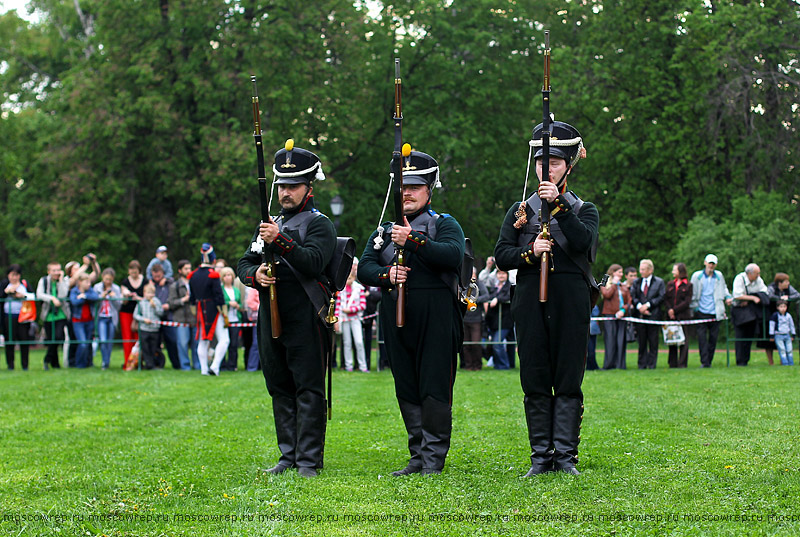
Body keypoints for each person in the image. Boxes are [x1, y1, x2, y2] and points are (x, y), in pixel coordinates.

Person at [494, 119, 598, 476]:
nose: (546, 169)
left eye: (554, 163)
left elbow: (585, 244)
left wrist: (560, 207)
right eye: (542, 162)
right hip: (529, 300)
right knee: (535, 377)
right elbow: (503, 253)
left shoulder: (584, 209)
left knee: (568, 378)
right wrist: (530, 252)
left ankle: (566, 457)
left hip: (570, 299)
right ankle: (541, 457)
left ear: (569, 165)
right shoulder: (519, 210)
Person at [358, 147, 466, 476]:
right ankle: (417, 454)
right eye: (403, 187)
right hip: (396, 317)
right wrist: (386, 275)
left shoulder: (444, 224)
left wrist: (414, 240)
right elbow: (364, 268)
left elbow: (452, 255)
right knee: (406, 385)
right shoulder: (384, 231)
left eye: (414, 187)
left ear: (429, 190)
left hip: (436, 317)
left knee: (434, 385)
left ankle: (433, 459)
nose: (407, 193)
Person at [238, 140, 337, 478]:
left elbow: (313, 263)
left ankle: (309, 460)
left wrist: (279, 240)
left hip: (306, 315)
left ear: (308, 187)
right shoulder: (268, 225)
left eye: (293, 186)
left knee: (308, 387)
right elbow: (244, 263)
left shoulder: (319, 224)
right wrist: (256, 275)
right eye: (281, 185)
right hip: (271, 313)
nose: (285, 192)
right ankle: (288, 455)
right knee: (279, 385)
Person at [190, 244, 229, 376]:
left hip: (200, 310)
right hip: (214, 310)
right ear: (213, 260)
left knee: (203, 340)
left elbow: (192, 298)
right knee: (224, 339)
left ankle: (204, 369)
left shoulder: (193, 275)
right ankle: (215, 366)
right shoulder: (213, 275)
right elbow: (219, 296)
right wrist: (224, 313)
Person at [689, 254, 732, 367]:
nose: (711, 266)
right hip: (701, 311)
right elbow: (692, 291)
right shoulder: (697, 276)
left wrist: (728, 297)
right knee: (702, 339)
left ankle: (709, 361)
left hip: (715, 312)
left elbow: (724, 288)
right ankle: (704, 361)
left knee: (713, 338)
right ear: (705, 263)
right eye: (709, 263)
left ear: (716, 265)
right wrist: (694, 307)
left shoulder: (719, 276)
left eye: (713, 264)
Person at [630, 259, 666, 369]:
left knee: (653, 341)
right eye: (640, 269)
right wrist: (640, 307)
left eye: (643, 269)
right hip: (640, 317)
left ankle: (651, 364)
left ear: (650, 270)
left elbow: (661, 297)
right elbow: (633, 296)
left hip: (653, 316)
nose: (641, 271)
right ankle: (641, 364)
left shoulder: (659, 282)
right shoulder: (637, 282)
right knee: (642, 341)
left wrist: (648, 305)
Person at [731, 263, 768, 366]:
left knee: (749, 335)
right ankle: (740, 360)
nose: (758, 276)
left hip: (751, 312)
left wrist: (748, 297)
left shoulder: (758, 280)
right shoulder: (739, 278)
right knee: (740, 336)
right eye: (757, 273)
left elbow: (765, 292)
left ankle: (745, 360)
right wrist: (752, 298)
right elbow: (737, 295)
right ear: (749, 273)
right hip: (739, 311)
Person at [335, 259, 368, 372]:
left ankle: (363, 366)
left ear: (354, 278)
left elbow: (363, 305)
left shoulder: (359, 289)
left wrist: (351, 309)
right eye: (347, 278)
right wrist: (337, 320)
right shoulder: (341, 290)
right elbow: (338, 306)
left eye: (350, 278)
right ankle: (349, 366)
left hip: (355, 318)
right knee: (346, 343)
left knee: (359, 342)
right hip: (344, 319)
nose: (348, 280)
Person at [36, 262, 71, 369]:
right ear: (49, 271)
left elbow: (63, 295)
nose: (56, 273)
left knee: (59, 337)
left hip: (61, 315)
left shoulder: (64, 280)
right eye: (54, 270)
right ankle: (55, 364)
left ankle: (47, 359)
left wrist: (60, 281)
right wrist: (52, 298)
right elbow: (39, 294)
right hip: (48, 315)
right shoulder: (44, 281)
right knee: (52, 340)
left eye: (58, 270)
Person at [763, 273, 800, 365]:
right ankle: (771, 361)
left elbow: (797, 295)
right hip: (771, 315)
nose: (788, 283)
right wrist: (780, 298)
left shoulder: (788, 288)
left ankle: (783, 361)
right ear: (780, 283)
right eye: (786, 281)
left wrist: (788, 298)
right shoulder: (771, 287)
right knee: (770, 341)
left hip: (784, 316)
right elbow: (769, 296)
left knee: (785, 342)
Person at [1, 264, 33, 370]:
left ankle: (25, 365)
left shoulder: (24, 284)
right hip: (9, 316)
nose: (14, 277)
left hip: (23, 316)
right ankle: (10, 365)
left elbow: (33, 295)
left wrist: (23, 295)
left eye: (17, 275)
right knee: (10, 341)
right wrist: (7, 292)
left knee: (24, 340)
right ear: (8, 275)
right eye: (12, 275)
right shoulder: (5, 284)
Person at [600, 264, 631, 370]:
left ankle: (620, 365)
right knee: (610, 340)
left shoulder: (623, 285)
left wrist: (623, 310)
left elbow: (629, 301)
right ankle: (608, 365)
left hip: (621, 315)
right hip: (609, 315)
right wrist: (614, 284)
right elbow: (606, 295)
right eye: (619, 272)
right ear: (613, 272)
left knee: (620, 340)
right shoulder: (605, 281)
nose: (621, 275)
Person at [167, 259, 196, 370]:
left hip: (194, 318)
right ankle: (185, 366)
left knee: (196, 344)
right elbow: (170, 303)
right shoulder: (175, 286)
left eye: (190, 268)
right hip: (181, 320)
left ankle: (197, 365)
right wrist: (183, 300)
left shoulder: (194, 283)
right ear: (180, 270)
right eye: (186, 269)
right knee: (183, 344)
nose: (189, 271)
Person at [150, 264, 179, 369]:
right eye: (154, 276)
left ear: (163, 274)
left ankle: (177, 364)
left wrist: (168, 305)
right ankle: (157, 364)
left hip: (168, 316)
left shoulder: (170, 283)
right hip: (155, 317)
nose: (157, 278)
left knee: (172, 341)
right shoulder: (151, 284)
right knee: (155, 342)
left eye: (159, 276)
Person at [92, 268, 122, 370]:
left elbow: (119, 306)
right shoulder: (97, 287)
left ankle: (107, 362)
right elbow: (94, 303)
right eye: (106, 279)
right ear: (102, 277)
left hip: (112, 318)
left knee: (109, 341)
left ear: (113, 279)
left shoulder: (116, 289)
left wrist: (113, 297)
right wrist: (101, 296)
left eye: (110, 279)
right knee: (103, 340)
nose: (108, 281)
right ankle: (105, 362)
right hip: (101, 317)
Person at [664, 263, 693, 368]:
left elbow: (686, 302)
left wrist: (675, 310)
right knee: (672, 339)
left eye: (674, 270)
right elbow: (666, 298)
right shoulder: (670, 284)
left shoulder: (688, 285)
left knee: (683, 340)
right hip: (671, 317)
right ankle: (672, 362)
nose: (673, 272)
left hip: (683, 316)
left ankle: (682, 363)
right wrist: (669, 311)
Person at [120, 260, 148, 368]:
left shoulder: (145, 281)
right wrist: (126, 295)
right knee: (127, 337)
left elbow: (147, 297)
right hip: (126, 312)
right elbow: (123, 302)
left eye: (135, 272)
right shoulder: (125, 282)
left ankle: (138, 362)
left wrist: (138, 298)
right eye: (131, 272)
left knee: (138, 337)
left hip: (140, 312)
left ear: (139, 271)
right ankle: (128, 362)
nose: (134, 274)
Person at [462, 267, 490, 371]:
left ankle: (478, 365)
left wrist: (474, 301)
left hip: (476, 319)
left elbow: (486, 296)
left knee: (475, 343)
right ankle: (468, 366)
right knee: (466, 344)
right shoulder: (463, 284)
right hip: (464, 319)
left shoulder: (479, 284)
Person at [69, 273, 100, 368]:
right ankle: (79, 364)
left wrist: (84, 296)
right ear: (80, 282)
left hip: (89, 321)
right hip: (78, 321)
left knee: (87, 343)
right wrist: (82, 298)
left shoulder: (90, 291)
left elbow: (96, 297)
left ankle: (87, 363)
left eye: (89, 282)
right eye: (87, 282)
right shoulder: (74, 291)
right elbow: (74, 302)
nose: (89, 284)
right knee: (82, 343)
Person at [485, 269, 513, 370]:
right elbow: (489, 297)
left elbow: (508, 296)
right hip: (493, 320)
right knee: (493, 344)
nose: (501, 276)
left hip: (505, 320)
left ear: (507, 275)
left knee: (498, 342)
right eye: (499, 274)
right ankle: (498, 365)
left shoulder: (510, 287)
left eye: (503, 273)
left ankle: (504, 366)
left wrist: (497, 299)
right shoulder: (494, 287)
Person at [133, 282, 164, 369]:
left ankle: (154, 364)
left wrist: (155, 307)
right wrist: (144, 320)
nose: (150, 295)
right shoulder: (141, 303)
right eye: (148, 293)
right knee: (145, 348)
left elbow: (161, 313)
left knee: (153, 348)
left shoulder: (157, 301)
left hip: (154, 329)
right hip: (144, 329)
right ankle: (148, 364)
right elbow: (136, 315)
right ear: (144, 293)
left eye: (152, 293)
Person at [220, 266, 244, 371]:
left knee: (234, 344)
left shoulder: (236, 290)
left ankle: (232, 365)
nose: (227, 277)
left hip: (235, 319)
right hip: (224, 319)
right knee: (224, 342)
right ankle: (222, 364)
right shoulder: (220, 290)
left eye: (229, 275)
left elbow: (241, 303)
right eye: (225, 275)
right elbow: (219, 303)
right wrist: (229, 303)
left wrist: (238, 306)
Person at [769, 300, 795, 365]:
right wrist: (771, 335)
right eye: (781, 306)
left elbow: (791, 325)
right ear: (777, 307)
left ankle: (791, 363)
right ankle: (785, 363)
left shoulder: (788, 315)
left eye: (784, 306)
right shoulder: (775, 315)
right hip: (778, 335)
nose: (783, 308)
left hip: (787, 334)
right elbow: (772, 325)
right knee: (782, 349)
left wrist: (793, 334)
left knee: (789, 349)